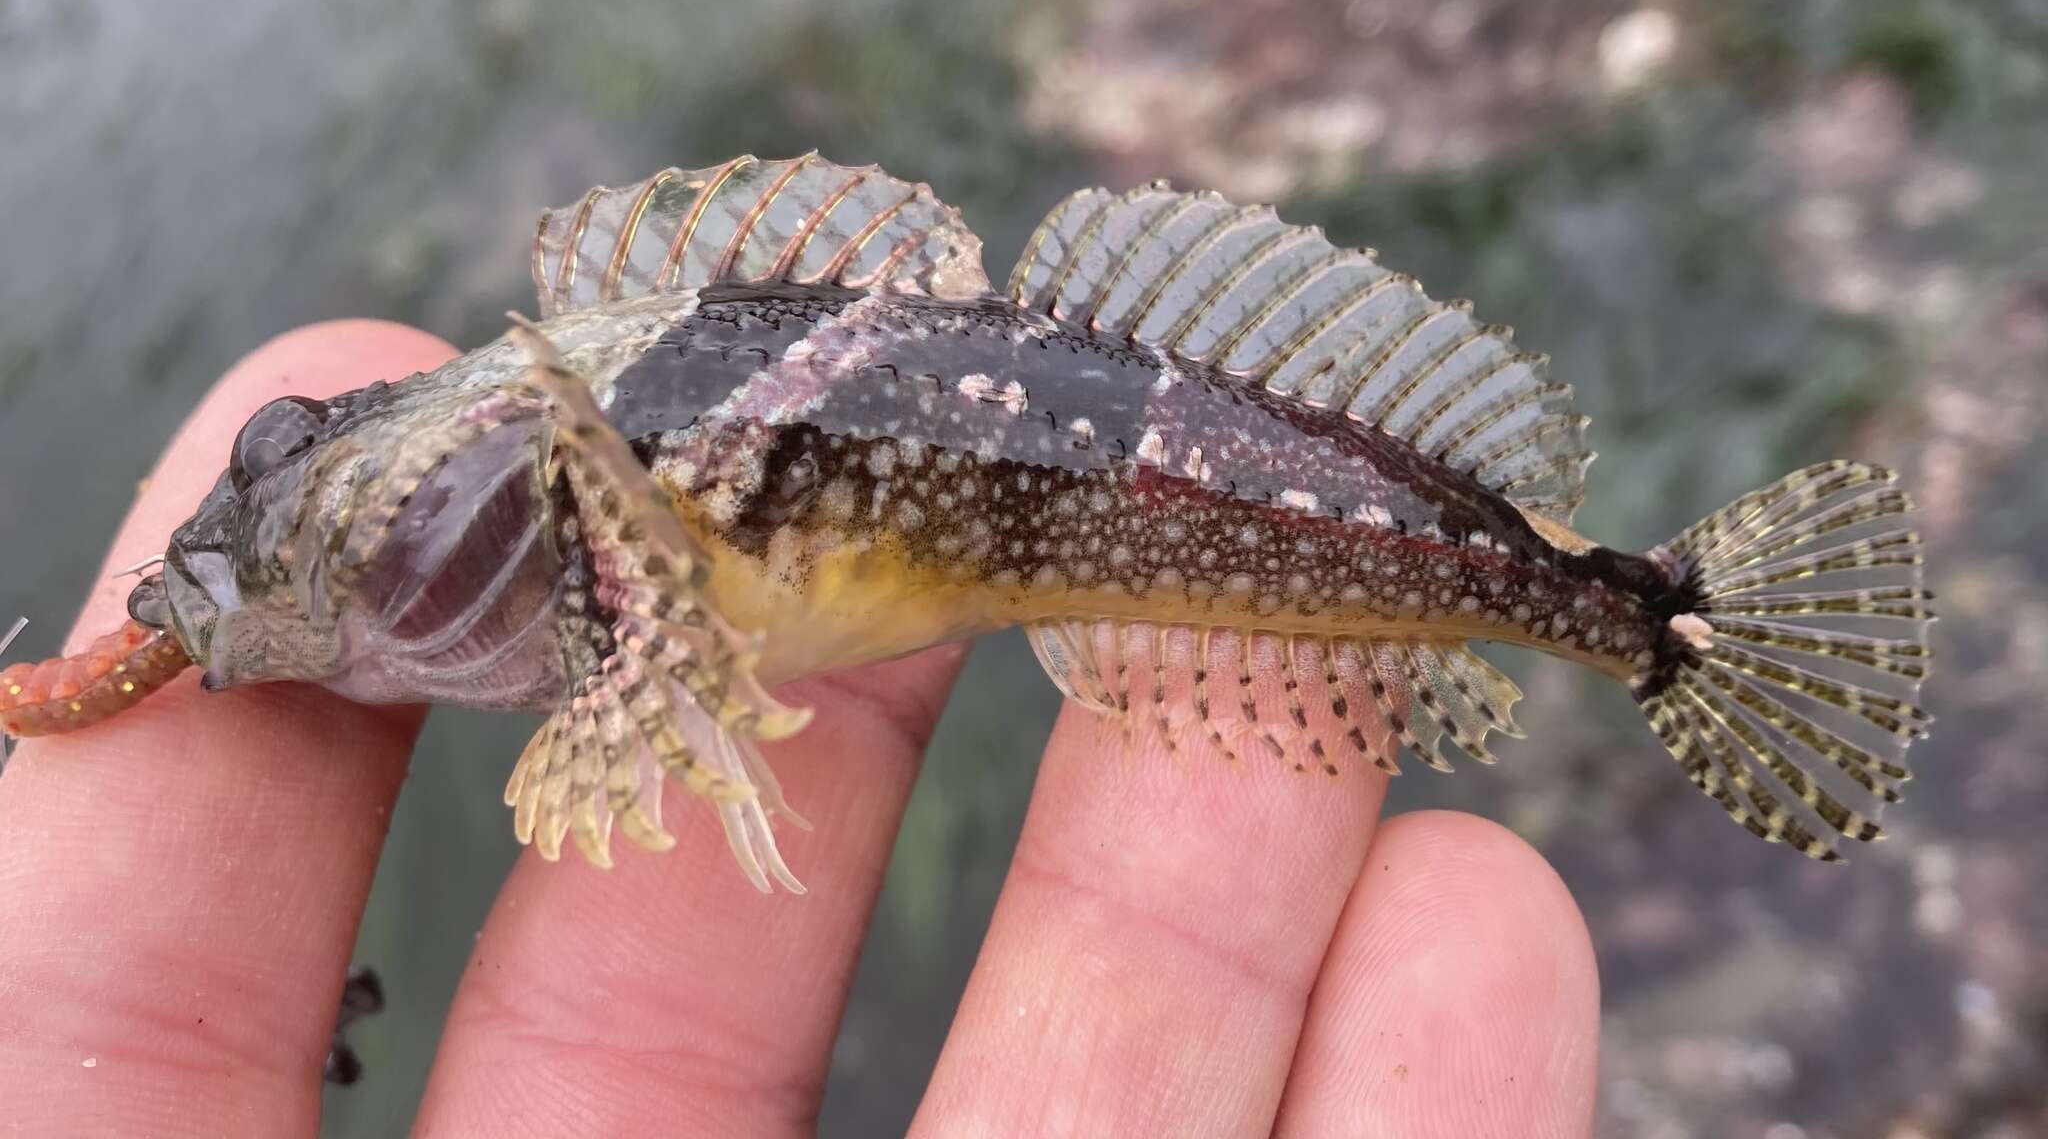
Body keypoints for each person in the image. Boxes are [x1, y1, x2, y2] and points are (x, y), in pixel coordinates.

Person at [0, 322, 1600, 1135]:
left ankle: (1636, 614)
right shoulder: (541, 454)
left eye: (317, 529)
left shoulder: (592, 489)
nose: (242, 574)